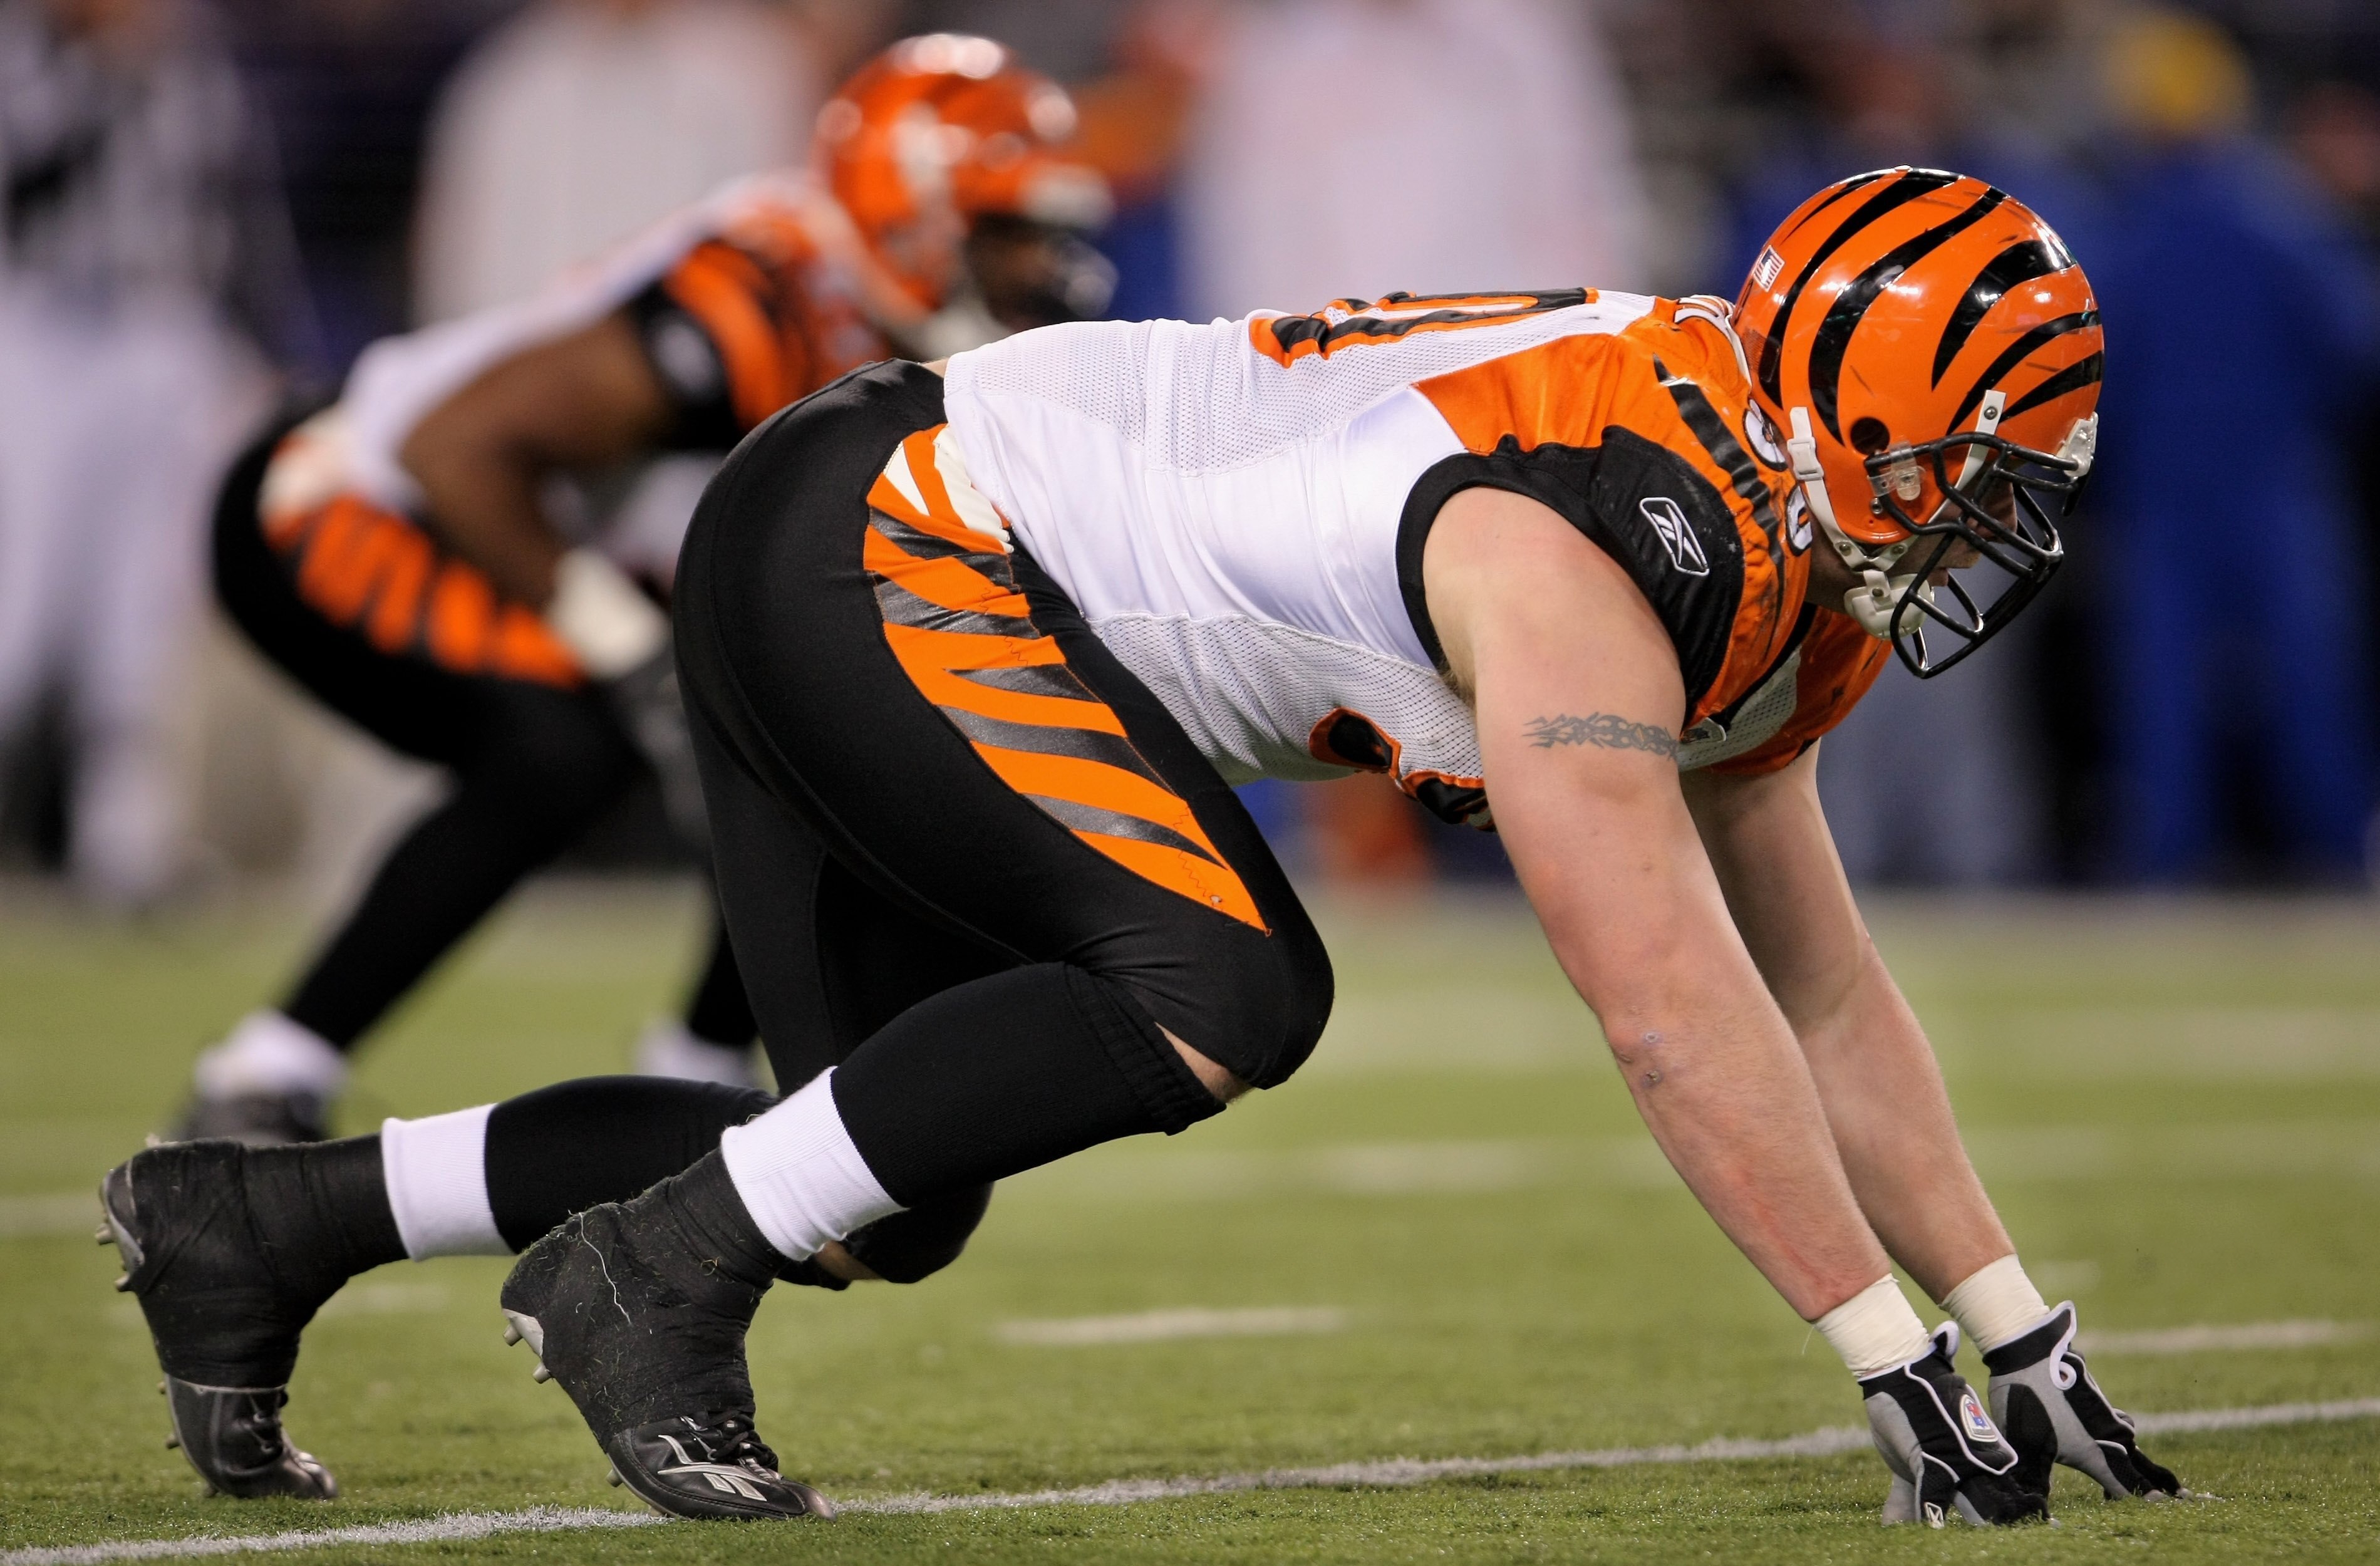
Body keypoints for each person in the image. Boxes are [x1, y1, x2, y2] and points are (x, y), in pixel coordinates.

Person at [104, 167, 2180, 1527]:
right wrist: (1882, 1347)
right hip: (898, 533)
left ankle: (261, 1222)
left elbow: (1822, 990)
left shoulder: (1767, 547)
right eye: (1976, 471)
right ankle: (645, 1275)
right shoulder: (1604, 536)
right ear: (1848, 420)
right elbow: (1666, 1007)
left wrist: (2012, 1320)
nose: (2001, 522)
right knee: (1228, 983)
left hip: (864, 531)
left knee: (867, 1177)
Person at [168, 33, 1117, 1146]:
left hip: (494, 520)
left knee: (808, 735)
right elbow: (456, 449)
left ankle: (694, 1073)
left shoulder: (863, 307)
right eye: (1007, 229)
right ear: (913, 218)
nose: (1039, 264)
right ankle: (266, 1073)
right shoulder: (753, 301)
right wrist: (627, 649)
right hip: (341, 497)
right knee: (562, 752)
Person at [0, 0, 298, 905]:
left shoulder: (197, 67)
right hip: (41, 332)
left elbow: (243, 211)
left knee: (145, 609)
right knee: (20, 603)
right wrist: (98, 85)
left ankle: (123, 843)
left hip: (165, 330)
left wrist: (267, 343)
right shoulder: (26, 63)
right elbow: (28, 188)